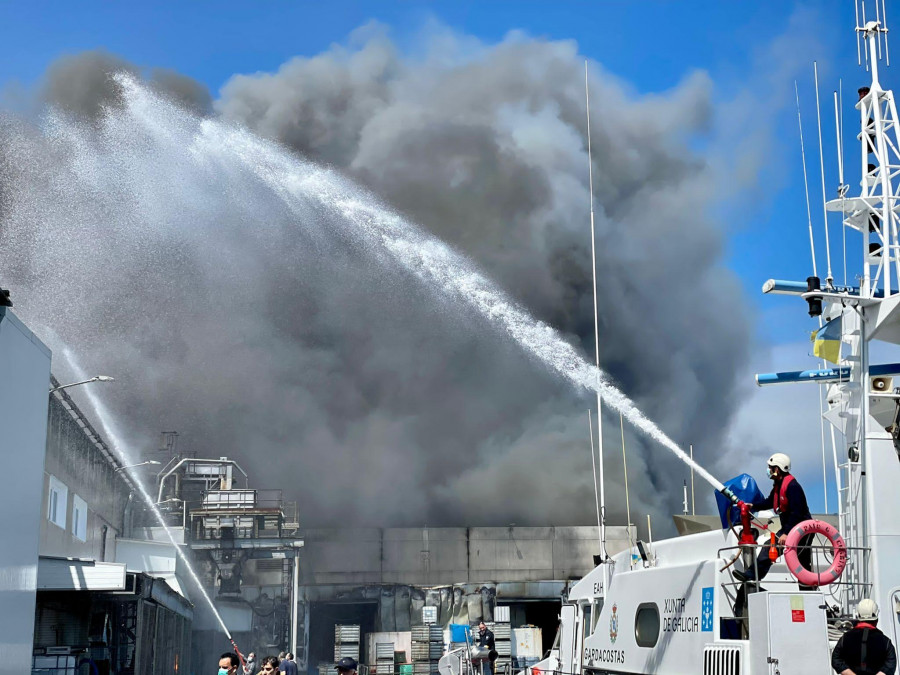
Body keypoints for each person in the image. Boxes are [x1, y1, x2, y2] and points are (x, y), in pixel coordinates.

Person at [733, 453, 814, 616]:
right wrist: (753, 506)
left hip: (802, 530)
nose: (768, 471)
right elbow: (770, 502)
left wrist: (785, 532)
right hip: (791, 529)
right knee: (770, 550)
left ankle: (809, 597)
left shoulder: (793, 487)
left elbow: (798, 513)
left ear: (778, 469)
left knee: (801, 565)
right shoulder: (778, 485)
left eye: (771, 468)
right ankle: (751, 575)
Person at [832, 599, 897, 675]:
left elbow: (836, 660)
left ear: (858, 616)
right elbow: (890, 665)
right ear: (876, 620)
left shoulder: (845, 638)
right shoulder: (886, 642)